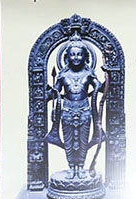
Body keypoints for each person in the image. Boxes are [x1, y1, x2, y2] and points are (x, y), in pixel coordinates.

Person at [47, 34, 103, 180]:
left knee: (83, 139)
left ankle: (82, 167)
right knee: (69, 140)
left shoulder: (89, 73)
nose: (76, 57)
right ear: (67, 57)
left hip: (84, 110)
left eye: (79, 54)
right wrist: (47, 91)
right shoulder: (63, 75)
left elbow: (100, 88)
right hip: (67, 110)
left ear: (85, 56)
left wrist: (107, 78)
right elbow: (55, 92)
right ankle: (72, 167)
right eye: (72, 54)